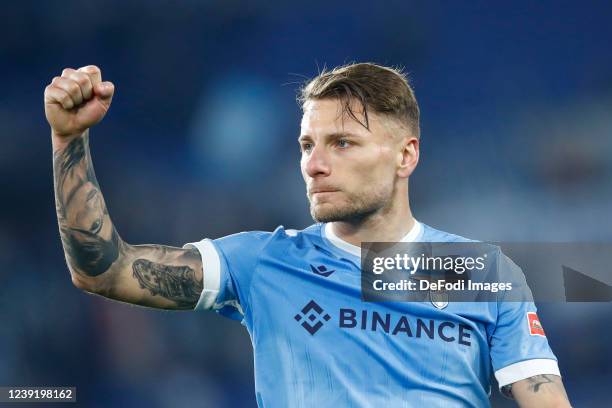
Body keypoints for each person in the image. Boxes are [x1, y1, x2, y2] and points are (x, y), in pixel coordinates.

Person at [45, 62, 572, 407]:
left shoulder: (478, 272)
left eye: (342, 144)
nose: (314, 165)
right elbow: (105, 270)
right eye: (306, 145)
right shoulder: (262, 262)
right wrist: (68, 139)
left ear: (405, 155)